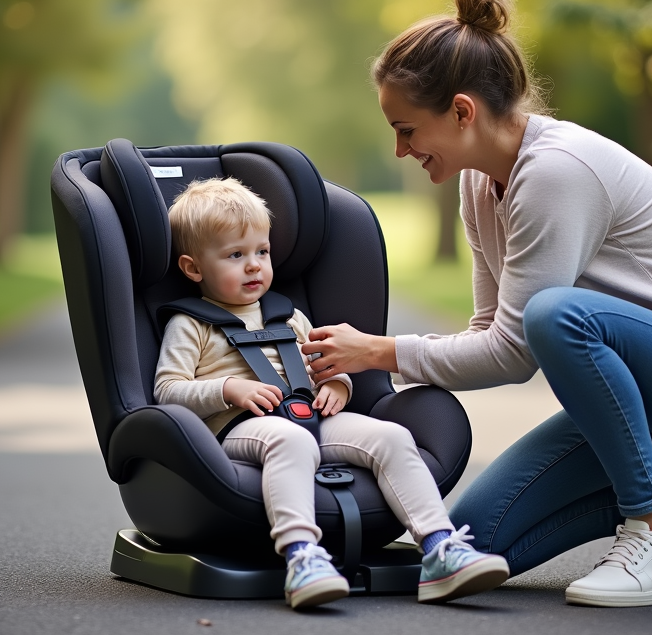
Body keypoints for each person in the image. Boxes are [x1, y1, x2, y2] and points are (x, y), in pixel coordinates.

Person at [301, 0, 652, 608]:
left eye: (407, 130)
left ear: (462, 111)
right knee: (467, 545)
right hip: (643, 407)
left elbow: (520, 348)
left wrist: (379, 352)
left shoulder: (557, 171)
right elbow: (488, 333)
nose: (399, 151)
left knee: (557, 315)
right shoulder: (480, 185)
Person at [154, 177, 510, 610]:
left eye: (261, 252)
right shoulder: (191, 325)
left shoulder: (290, 317)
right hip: (238, 431)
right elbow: (168, 391)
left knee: (393, 437)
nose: (254, 266)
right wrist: (229, 388)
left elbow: (328, 368)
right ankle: (302, 557)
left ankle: (440, 548)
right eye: (235, 255)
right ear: (194, 268)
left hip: (312, 417)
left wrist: (337, 386)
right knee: (291, 440)